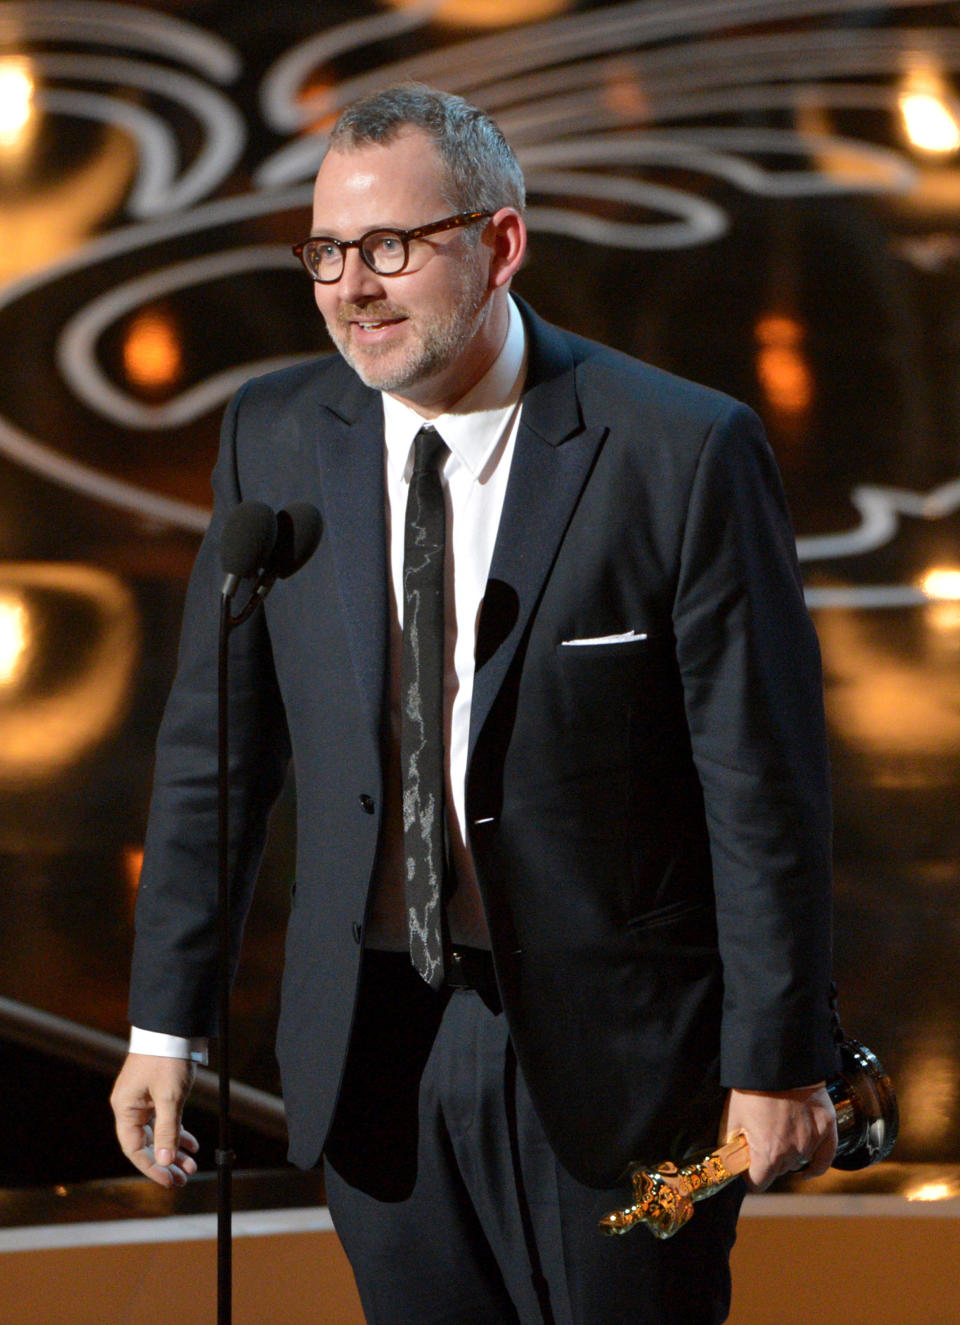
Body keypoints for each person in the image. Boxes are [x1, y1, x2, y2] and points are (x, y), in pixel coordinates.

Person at [111, 84, 839, 1324]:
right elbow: (211, 758)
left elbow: (760, 788)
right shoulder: (275, 435)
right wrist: (163, 1027)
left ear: (501, 244)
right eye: (328, 253)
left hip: (621, 1060)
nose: (354, 286)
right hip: (376, 1050)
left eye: (393, 246)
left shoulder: (677, 451)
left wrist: (779, 1058)